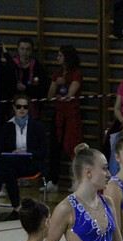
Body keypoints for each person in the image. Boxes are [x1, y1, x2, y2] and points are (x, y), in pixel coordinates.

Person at [0, 95, 48, 220]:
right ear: (14, 108)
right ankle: (16, 208)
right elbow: (1, 151)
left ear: (28, 109)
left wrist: (26, 151)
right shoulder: (7, 127)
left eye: (25, 107)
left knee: (6, 168)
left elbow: (43, 151)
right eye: (19, 106)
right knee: (9, 168)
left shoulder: (37, 127)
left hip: (31, 163)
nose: (22, 109)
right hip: (13, 163)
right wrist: (13, 152)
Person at [46, 45, 83, 194]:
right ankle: (52, 181)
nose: (57, 58)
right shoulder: (57, 73)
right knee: (54, 147)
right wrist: (56, 83)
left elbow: (70, 94)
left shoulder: (76, 74)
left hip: (71, 115)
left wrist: (63, 83)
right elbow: (49, 95)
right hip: (58, 114)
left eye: (60, 55)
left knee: (73, 148)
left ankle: (76, 182)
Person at [11, 37, 48, 118]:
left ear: (32, 51)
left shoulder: (37, 67)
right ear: (18, 49)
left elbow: (43, 87)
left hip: (32, 106)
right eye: (22, 49)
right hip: (13, 105)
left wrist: (26, 88)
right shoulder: (11, 65)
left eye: (28, 49)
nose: (25, 52)